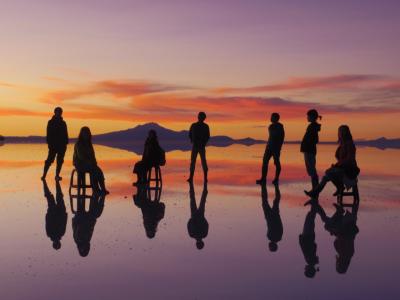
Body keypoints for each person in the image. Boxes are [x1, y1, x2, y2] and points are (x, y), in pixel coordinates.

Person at [305, 125, 360, 199]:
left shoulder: (350, 144)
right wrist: (336, 165)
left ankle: (339, 187)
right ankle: (315, 192)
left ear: (346, 133)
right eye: (340, 131)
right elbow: (341, 160)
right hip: (342, 168)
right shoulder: (342, 145)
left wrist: (337, 165)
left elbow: (349, 160)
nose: (341, 133)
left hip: (349, 170)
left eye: (343, 131)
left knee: (328, 172)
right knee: (326, 176)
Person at [73, 126, 109, 194]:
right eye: (85, 134)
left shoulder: (89, 144)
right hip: (79, 164)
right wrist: (90, 163)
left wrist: (94, 162)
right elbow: (81, 157)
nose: (86, 135)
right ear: (82, 134)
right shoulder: (79, 144)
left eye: (87, 133)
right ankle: (96, 189)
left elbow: (93, 155)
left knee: (98, 170)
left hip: (89, 164)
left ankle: (103, 188)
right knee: (93, 170)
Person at [72, 193, 105, 257]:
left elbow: (80, 226)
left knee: (95, 214)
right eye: (85, 249)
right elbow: (91, 228)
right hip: (85, 219)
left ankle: (98, 196)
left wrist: (91, 221)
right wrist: (92, 221)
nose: (83, 248)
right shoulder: (86, 240)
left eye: (82, 249)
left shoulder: (78, 240)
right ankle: (98, 196)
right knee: (97, 213)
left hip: (79, 219)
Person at [256, 113, 285, 185]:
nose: (270, 118)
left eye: (272, 117)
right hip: (269, 147)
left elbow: (281, 138)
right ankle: (263, 179)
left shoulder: (280, 127)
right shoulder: (271, 126)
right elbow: (271, 136)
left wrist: (279, 148)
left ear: (276, 118)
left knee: (276, 163)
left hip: (276, 148)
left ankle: (276, 178)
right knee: (265, 162)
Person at [41, 107, 69, 180]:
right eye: (58, 112)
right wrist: (49, 143)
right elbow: (48, 133)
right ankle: (44, 175)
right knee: (49, 160)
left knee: (60, 161)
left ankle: (57, 175)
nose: (59, 113)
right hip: (53, 145)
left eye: (60, 112)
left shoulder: (63, 123)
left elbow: (66, 134)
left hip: (62, 145)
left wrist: (66, 143)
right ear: (55, 112)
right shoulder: (50, 122)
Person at [43, 179, 67, 250]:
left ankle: (45, 182)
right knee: (56, 195)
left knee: (50, 196)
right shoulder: (60, 233)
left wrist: (49, 213)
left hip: (54, 212)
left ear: (54, 243)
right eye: (57, 243)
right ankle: (55, 181)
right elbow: (64, 222)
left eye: (55, 243)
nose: (56, 242)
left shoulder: (51, 234)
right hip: (59, 211)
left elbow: (47, 221)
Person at [300, 109, 321, 190]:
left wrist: (306, 145)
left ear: (312, 117)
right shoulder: (313, 126)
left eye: (308, 116)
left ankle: (315, 188)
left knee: (311, 169)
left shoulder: (313, 126)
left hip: (309, 150)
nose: (307, 118)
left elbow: (314, 139)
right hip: (309, 149)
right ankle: (315, 188)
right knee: (311, 169)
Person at [187, 112, 210, 183]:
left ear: (204, 118)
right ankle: (191, 178)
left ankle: (205, 178)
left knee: (203, 162)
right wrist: (192, 140)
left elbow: (207, 136)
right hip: (195, 146)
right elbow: (190, 134)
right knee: (193, 162)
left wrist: (204, 143)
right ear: (198, 117)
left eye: (202, 117)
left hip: (201, 147)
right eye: (200, 117)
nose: (201, 118)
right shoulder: (193, 125)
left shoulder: (206, 126)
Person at [299, 204, 320, 278]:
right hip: (307, 237)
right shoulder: (309, 260)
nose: (305, 269)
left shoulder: (312, 260)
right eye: (306, 270)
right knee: (309, 218)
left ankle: (314, 205)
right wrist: (301, 239)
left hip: (309, 237)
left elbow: (314, 246)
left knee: (310, 219)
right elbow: (305, 247)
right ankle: (315, 204)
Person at [261, 182, 283, 252]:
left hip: (274, 216)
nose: (269, 246)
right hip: (270, 216)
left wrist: (278, 217)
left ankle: (275, 186)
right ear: (273, 246)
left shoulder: (279, 236)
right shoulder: (270, 236)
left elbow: (281, 226)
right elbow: (271, 225)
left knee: (276, 200)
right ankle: (264, 185)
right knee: (266, 200)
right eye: (270, 247)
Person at [187, 182, 209, 250]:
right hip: (196, 215)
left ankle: (204, 184)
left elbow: (206, 225)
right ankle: (192, 184)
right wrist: (192, 219)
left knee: (202, 199)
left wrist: (202, 218)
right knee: (193, 198)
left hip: (198, 215)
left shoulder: (203, 234)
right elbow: (188, 225)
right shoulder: (192, 235)